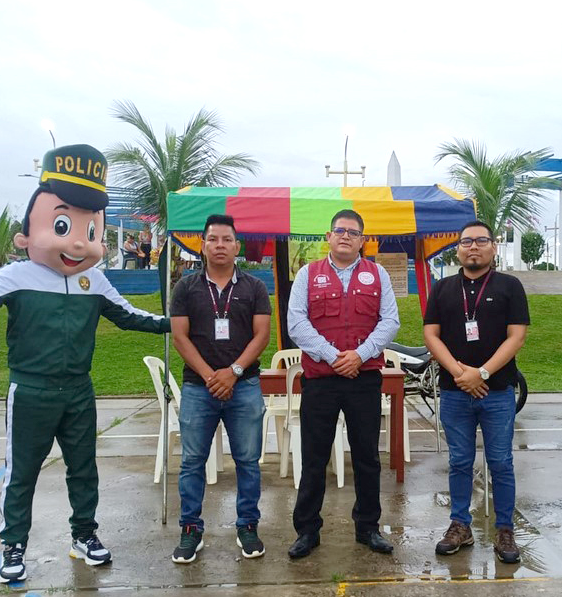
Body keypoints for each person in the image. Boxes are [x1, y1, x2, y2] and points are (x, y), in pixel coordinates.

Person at [0, 144, 170, 584]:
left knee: (84, 468)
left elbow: (129, 316)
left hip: (78, 390)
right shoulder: (18, 275)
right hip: (31, 390)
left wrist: (172, 324)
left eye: (90, 229)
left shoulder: (93, 280)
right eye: (63, 225)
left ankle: (84, 535)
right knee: (22, 472)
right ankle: (14, 545)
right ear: (25, 236)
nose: (78, 241)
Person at [286, 210, 400, 559]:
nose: (346, 236)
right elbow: (296, 323)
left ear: (362, 240)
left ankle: (368, 528)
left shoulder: (378, 274)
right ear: (329, 236)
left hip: (363, 380)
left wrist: (360, 356)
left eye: (353, 232)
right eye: (340, 230)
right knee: (314, 458)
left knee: (367, 457)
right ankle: (307, 530)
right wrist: (334, 356)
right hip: (321, 380)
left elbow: (390, 321)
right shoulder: (308, 274)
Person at [422, 220, 529, 564]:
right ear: (458, 249)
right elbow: (431, 335)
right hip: (455, 392)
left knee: (501, 462)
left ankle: (505, 529)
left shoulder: (510, 286)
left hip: (497, 392)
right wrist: (460, 373)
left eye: (481, 240)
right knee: (459, 461)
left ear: (493, 247)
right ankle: (460, 524)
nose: (473, 247)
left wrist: (481, 373)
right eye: (466, 241)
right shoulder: (442, 288)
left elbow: (517, 337)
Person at [169, 214, 271, 563]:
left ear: (237, 246)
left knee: (248, 461)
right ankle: (190, 529)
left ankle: (247, 526)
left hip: (244, 386)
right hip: (199, 388)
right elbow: (180, 337)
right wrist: (212, 376)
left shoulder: (254, 287)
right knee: (192, 462)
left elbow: (262, 335)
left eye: (227, 239)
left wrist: (234, 372)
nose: (220, 245)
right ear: (203, 245)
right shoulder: (186, 287)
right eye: (213, 239)